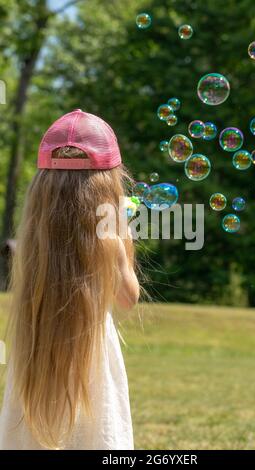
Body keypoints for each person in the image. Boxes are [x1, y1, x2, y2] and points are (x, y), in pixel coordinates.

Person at [0, 109, 140, 450]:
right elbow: (128, 298)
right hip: (92, 361)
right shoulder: (109, 240)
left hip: (34, 350)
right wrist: (121, 232)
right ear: (108, 185)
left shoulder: (33, 238)